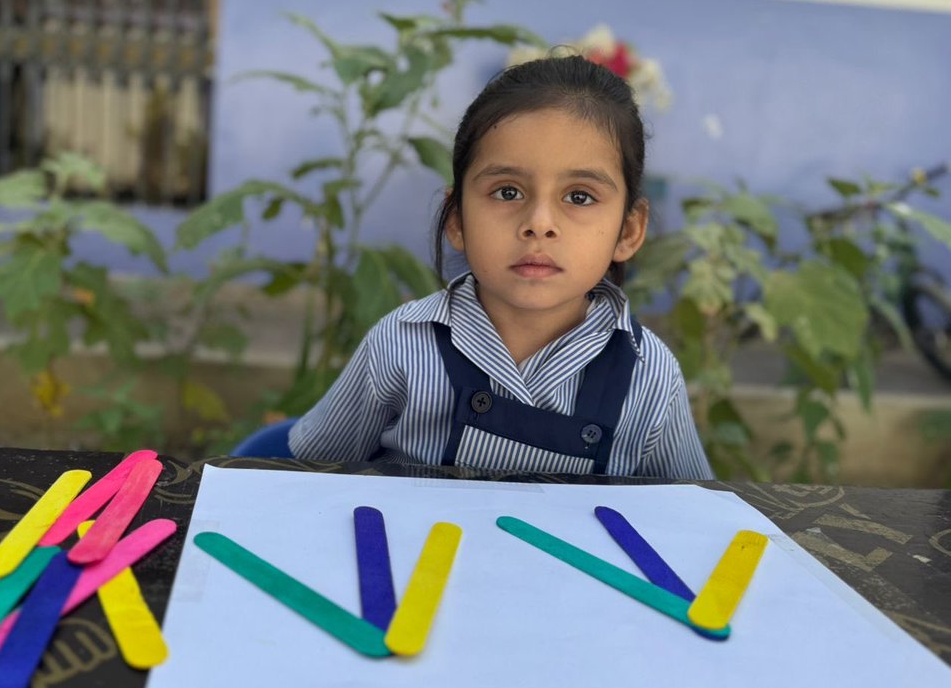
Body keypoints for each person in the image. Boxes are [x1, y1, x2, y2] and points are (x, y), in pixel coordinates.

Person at [287, 54, 714, 479]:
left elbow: (688, 510)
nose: (539, 224)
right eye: (508, 192)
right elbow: (310, 476)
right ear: (456, 219)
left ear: (628, 231)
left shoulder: (649, 376)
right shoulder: (400, 345)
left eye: (579, 197)